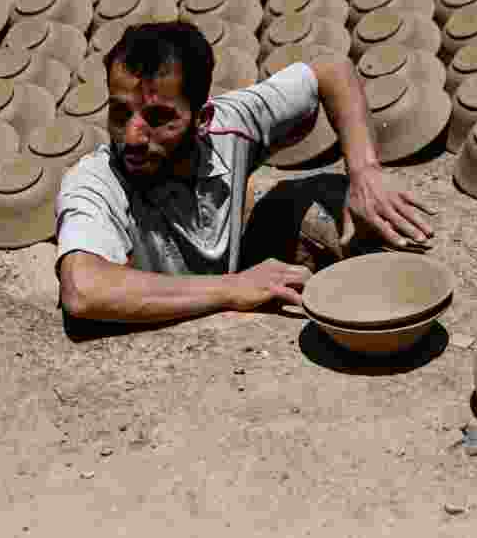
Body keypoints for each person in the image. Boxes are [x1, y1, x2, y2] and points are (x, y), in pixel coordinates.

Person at [56, 20, 435, 324]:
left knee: (338, 206)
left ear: (203, 120)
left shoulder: (231, 124)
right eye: (120, 113)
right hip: (164, 330)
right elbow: (84, 290)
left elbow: (330, 70)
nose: (134, 137)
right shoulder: (94, 181)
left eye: (159, 118)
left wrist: (365, 170)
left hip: (235, 269)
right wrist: (232, 288)